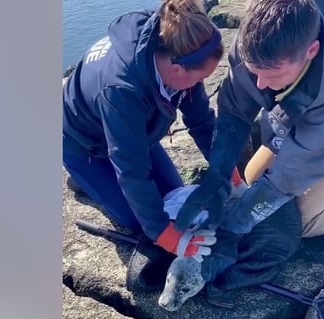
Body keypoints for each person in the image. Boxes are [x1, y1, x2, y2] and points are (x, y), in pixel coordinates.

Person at [62, 0, 226, 261]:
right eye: (198, 79)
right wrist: (165, 235)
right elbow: (132, 170)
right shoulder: (120, 90)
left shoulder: (176, 45)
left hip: (135, 134)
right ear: (176, 69)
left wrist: (229, 171)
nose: (201, 85)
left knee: (173, 196)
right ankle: (85, 178)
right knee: (139, 221)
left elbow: (203, 121)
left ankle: (100, 180)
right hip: (84, 144)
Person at [175, 0, 324, 239]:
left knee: (300, 223)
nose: (260, 85)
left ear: (312, 50)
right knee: (252, 177)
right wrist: (219, 171)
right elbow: (235, 108)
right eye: (254, 72)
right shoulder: (257, 38)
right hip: (301, 114)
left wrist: (236, 224)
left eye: (272, 74)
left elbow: (290, 173)